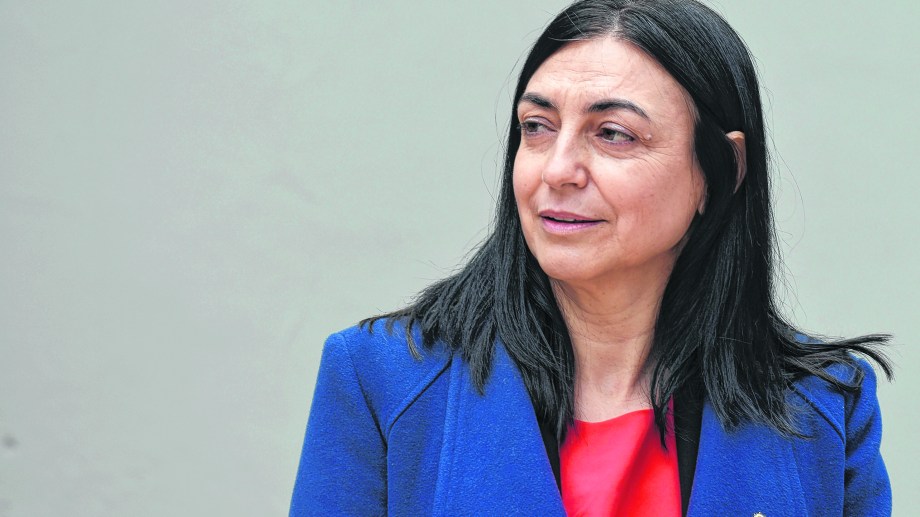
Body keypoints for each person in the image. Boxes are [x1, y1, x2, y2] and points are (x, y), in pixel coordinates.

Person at [290, 0, 893, 515]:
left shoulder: (821, 408)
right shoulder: (380, 379)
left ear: (721, 171)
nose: (557, 170)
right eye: (537, 126)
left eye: (613, 134)